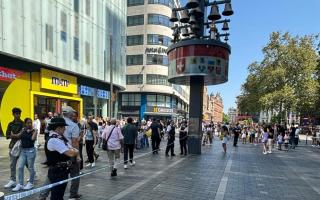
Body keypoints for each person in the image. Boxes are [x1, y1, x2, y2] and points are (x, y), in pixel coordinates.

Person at [46, 117, 79, 200]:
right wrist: (75, 151)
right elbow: (71, 153)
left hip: (62, 170)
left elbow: (71, 148)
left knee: (60, 195)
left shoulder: (60, 138)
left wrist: (74, 150)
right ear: (58, 128)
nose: (65, 129)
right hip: (57, 171)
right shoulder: (54, 140)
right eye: (64, 127)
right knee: (56, 196)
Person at [11, 118, 37, 191]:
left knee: (31, 167)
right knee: (20, 167)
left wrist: (35, 131)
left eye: (30, 123)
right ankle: (20, 184)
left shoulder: (34, 131)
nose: (29, 124)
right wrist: (13, 135)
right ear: (25, 123)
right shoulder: (23, 130)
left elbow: (32, 139)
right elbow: (18, 136)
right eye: (28, 123)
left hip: (31, 151)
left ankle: (31, 183)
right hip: (23, 151)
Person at [62, 106, 82, 200]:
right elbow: (75, 143)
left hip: (59, 153)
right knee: (75, 174)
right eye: (73, 113)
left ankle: (43, 195)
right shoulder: (74, 126)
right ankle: (73, 194)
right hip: (70, 153)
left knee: (56, 174)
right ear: (70, 114)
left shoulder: (57, 123)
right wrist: (77, 155)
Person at [4, 107, 24, 189]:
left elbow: (23, 135)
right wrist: (15, 136)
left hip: (22, 147)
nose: (17, 115)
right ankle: (12, 180)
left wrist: (14, 135)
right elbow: (7, 136)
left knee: (22, 165)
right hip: (12, 146)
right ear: (13, 114)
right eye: (16, 113)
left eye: (19, 113)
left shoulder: (23, 123)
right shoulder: (10, 124)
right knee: (12, 165)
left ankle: (22, 181)